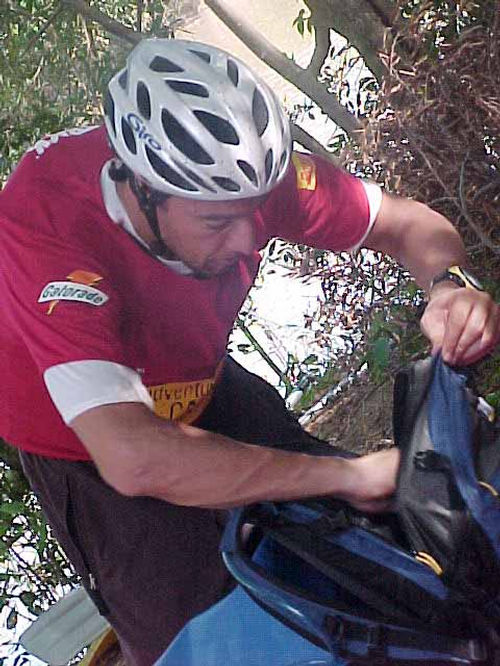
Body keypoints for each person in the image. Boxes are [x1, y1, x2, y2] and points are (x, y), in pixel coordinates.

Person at [0, 38, 498, 666]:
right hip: (85, 442)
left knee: (363, 540)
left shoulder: (247, 176)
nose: (247, 239)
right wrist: (343, 475)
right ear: (144, 191)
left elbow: (405, 224)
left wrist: (449, 286)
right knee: (200, 637)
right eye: (216, 223)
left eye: (254, 212)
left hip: (196, 380)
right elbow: (133, 457)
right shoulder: (44, 225)